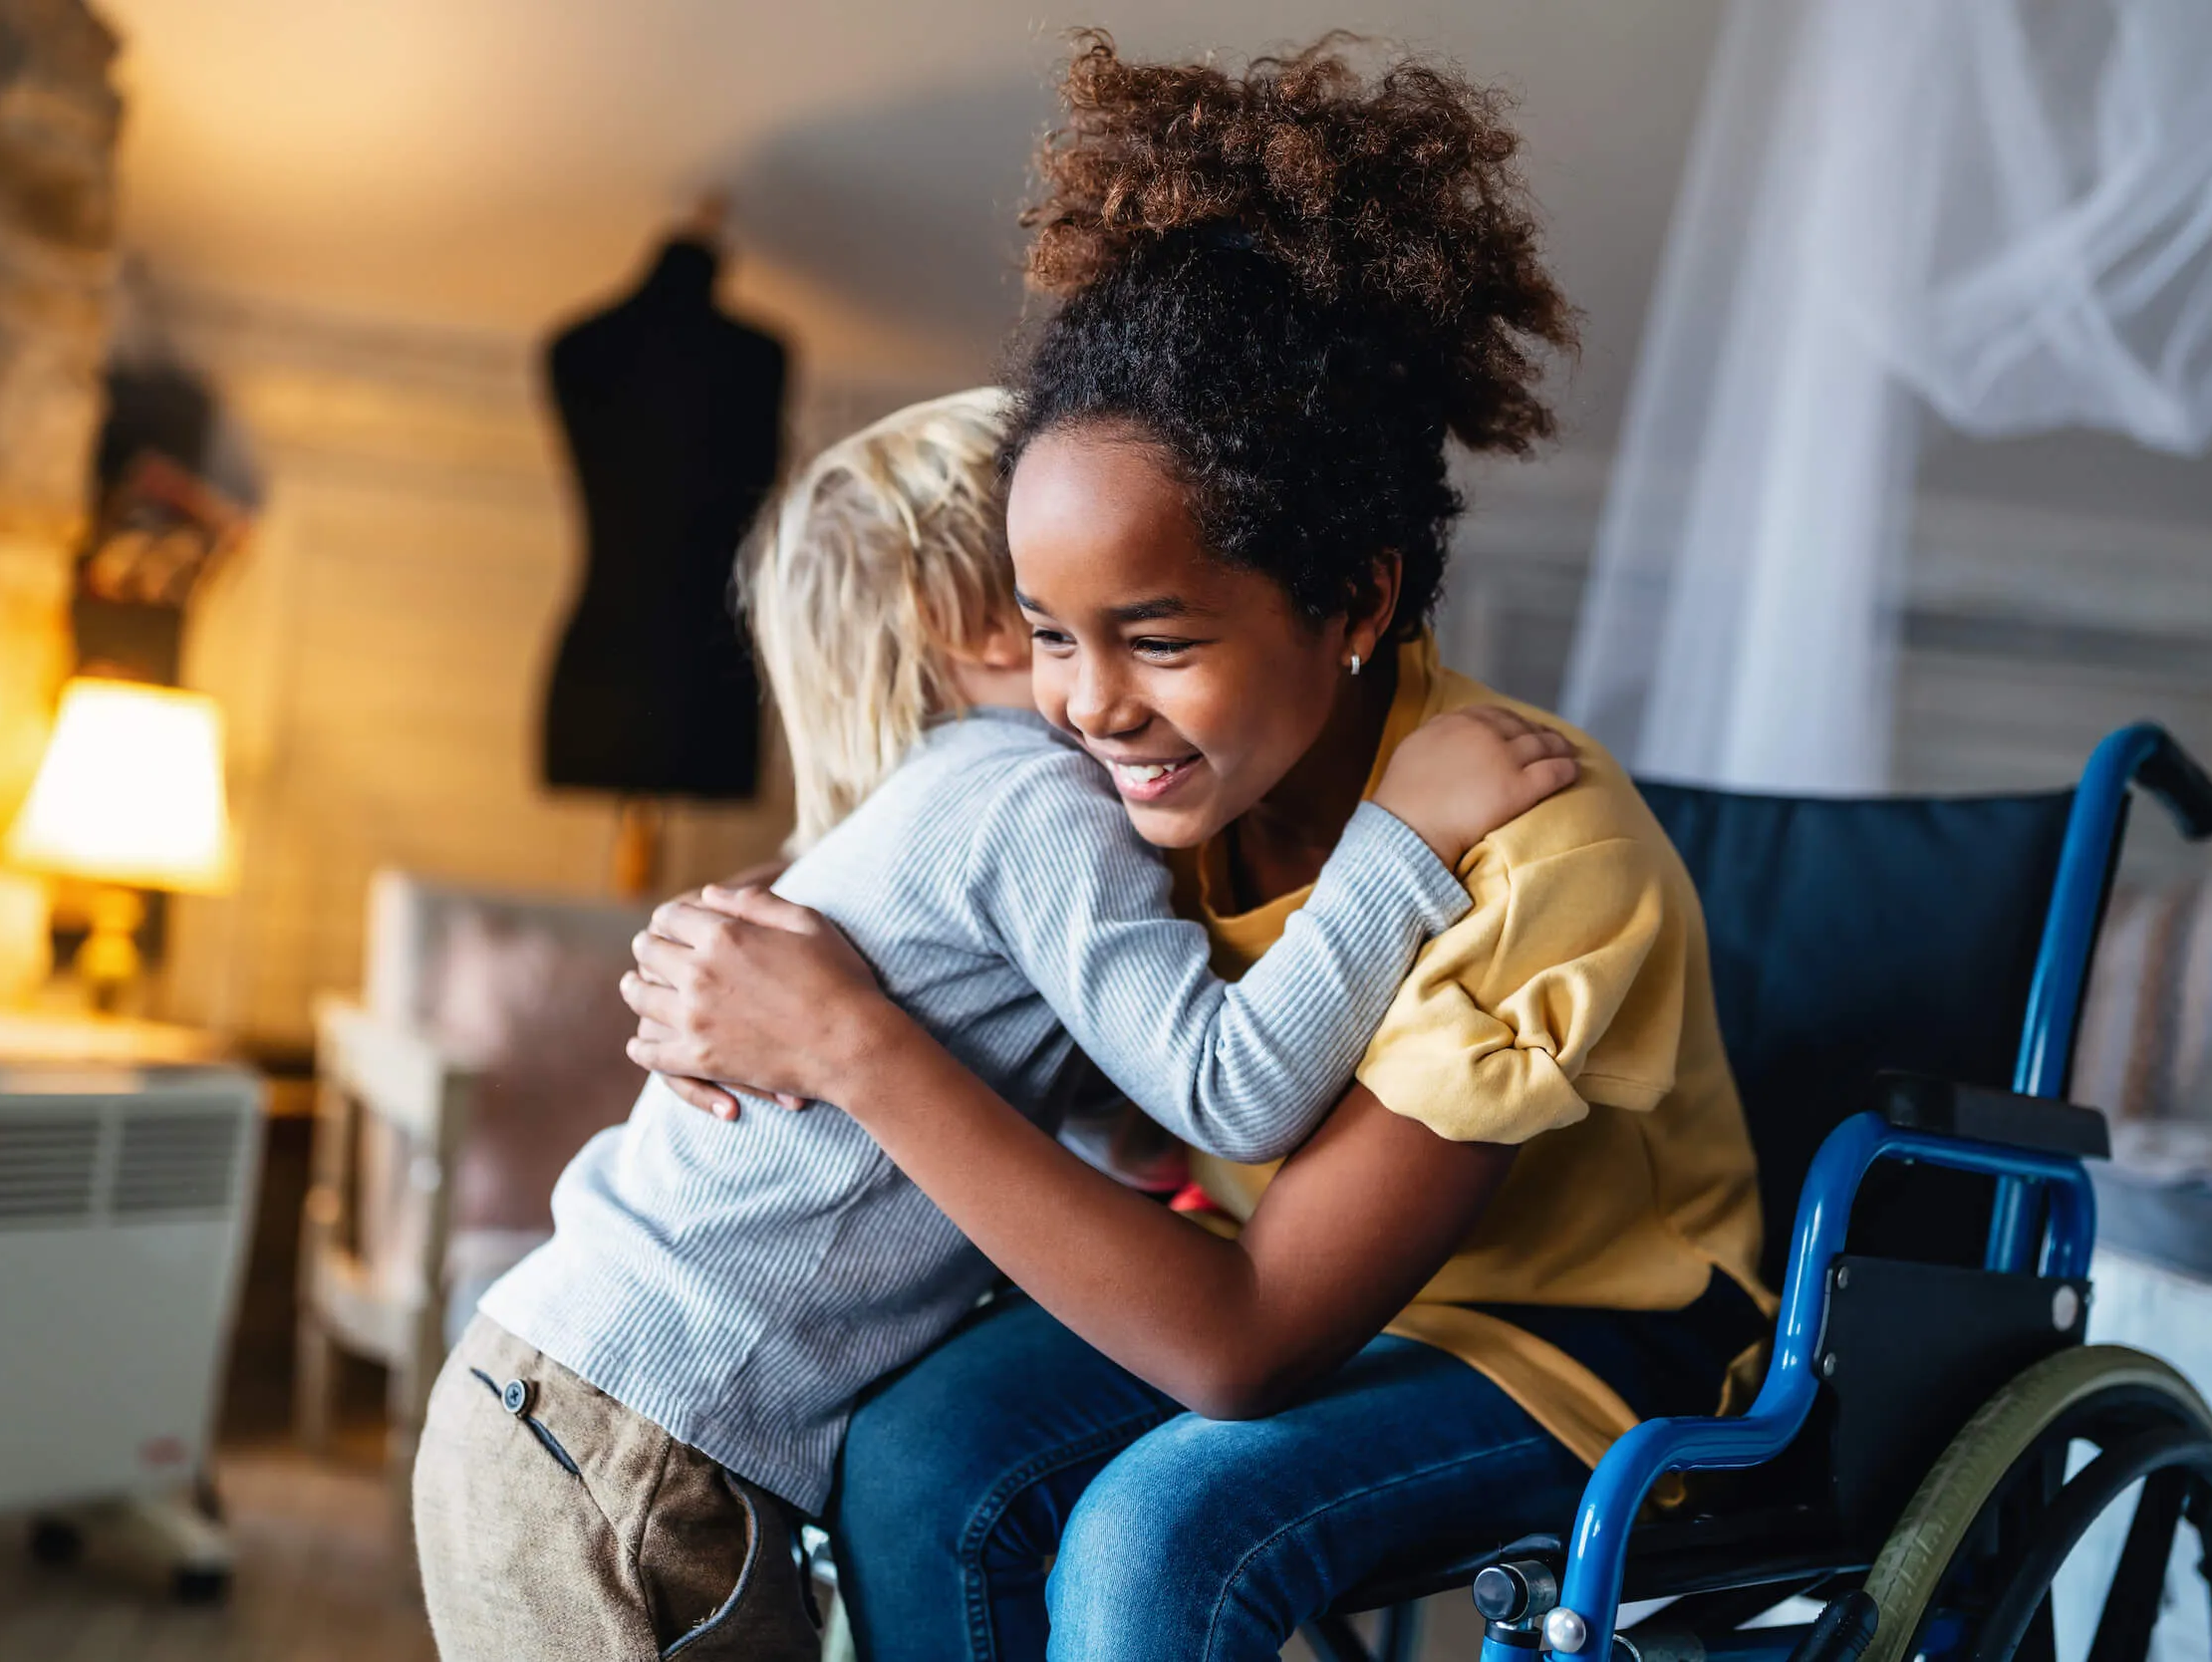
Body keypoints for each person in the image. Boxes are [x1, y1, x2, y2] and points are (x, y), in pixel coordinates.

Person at [621, 33, 1773, 1662]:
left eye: (1158, 639)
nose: (1092, 706)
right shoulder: (1115, 794)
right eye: (1049, 636)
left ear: (1358, 599)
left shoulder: (1544, 862)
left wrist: (852, 1043)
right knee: (919, 1452)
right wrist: (736, 962)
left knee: (1156, 1534)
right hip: (1261, 1255)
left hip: (1571, 1337)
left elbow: (1245, 1349)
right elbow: (927, 908)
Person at [409, 389, 1576, 1662]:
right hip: (625, 1445)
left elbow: (1115, 1131)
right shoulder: (1034, 798)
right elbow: (1231, 1090)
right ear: (978, 614)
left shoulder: (947, 799)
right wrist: (1400, 840)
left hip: (563, 1403)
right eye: (1059, 615)